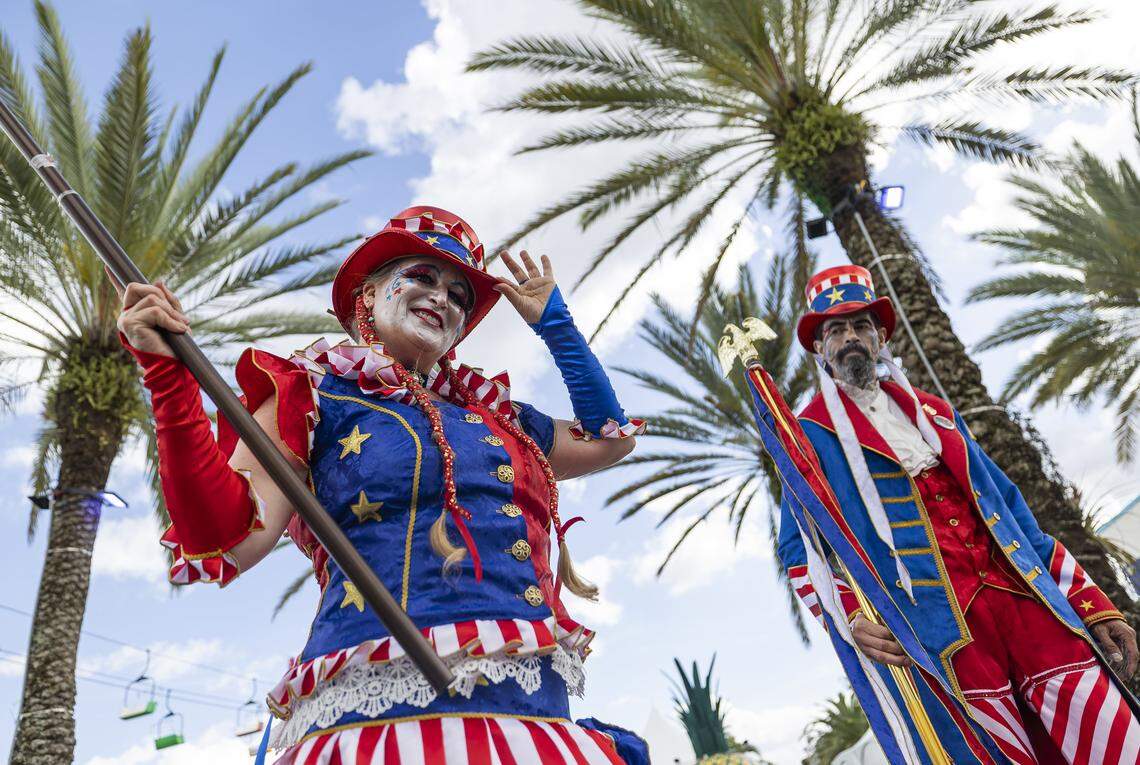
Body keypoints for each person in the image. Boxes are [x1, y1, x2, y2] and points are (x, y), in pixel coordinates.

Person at [117, 206, 648, 763]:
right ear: (368, 294)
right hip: (377, 705)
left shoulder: (501, 416)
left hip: (530, 702)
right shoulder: (312, 391)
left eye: (460, 295)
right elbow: (233, 538)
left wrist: (556, 325)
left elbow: (611, 437)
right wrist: (168, 380)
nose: (443, 297)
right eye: (423, 277)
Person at [777, 265, 1139, 764]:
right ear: (820, 349)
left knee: (1116, 740)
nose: (850, 338)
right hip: (939, 634)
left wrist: (1092, 602)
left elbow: (1013, 513)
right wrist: (851, 616)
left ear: (882, 337)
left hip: (1028, 600)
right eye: (835, 330)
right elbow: (799, 552)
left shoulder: (936, 412)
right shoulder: (806, 437)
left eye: (861, 325)